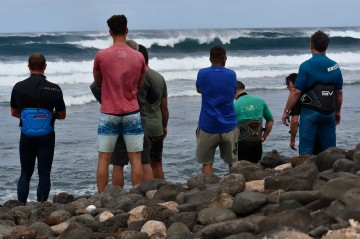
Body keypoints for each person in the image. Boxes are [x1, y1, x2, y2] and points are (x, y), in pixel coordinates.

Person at [90, 41, 160, 188]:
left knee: (118, 162)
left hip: (113, 113)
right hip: (137, 115)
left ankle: (116, 194)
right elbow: (155, 97)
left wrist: (105, 100)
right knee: (143, 160)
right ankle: (144, 193)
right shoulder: (143, 72)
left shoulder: (112, 72)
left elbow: (94, 85)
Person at [93, 15, 146, 192]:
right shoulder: (139, 57)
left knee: (103, 159)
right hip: (131, 111)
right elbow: (139, 83)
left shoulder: (101, 56)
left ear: (110, 32)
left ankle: (101, 196)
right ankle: (137, 194)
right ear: (126, 30)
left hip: (109, 112)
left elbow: (98, 81)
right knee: (135, 158)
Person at [10, 53, 66, 204]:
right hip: (46, 136)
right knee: (44, 173)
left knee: (25, 172)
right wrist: (46, 116)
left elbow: (14, 112)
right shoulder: (54, 89)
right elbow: (62, 114)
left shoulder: (18, 87)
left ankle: (21, 206)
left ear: (28, 67)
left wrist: (30, 118)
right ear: (45, 66)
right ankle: (41, 205)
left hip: (26, 136)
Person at [282, 30, 343, 155]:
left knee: (306, 152)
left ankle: (306, 173)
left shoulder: (306, 65)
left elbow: (296, 92)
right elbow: (339, 94)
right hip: (328, 114)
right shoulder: (335, 66)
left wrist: (287, 111)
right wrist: (337, 112)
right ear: (327, 46)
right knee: (331, 152)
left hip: (310, 114)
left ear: (311, 45)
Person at [195, 45, 238, 174]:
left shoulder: (203, 73)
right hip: (229, 125)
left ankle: (208, 190)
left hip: (208, 124)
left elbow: (198, 89)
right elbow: (233, 93)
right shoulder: (231, 74)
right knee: (232, 163)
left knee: (207, 162)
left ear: (210, 59)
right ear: (225, 58)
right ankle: (234, 189)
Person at [142, 44, 169, 180]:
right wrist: (164, 126)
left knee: (142, 163)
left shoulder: (136, 77)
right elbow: (164, 107)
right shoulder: (159, 77)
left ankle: (144, 193)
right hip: (156, 126)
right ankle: (161, 191)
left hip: (140, 126)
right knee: (157, 163)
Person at [234, 81, 274, 163]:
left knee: (241, 169)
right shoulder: (260, 101)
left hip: (241, 144)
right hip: (257, 143)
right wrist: (264, 136)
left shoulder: (234, 104)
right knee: (256, 167)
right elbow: (270, 120)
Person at [285, 73, 323, 154]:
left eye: (288, 83)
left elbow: (295, 122)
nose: (287, 86)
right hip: (322, 131)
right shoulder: (312, 92)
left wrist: (292, 140)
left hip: (308, 133)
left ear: (294, 83)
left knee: (305, 161)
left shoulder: (296, 97)